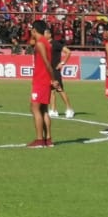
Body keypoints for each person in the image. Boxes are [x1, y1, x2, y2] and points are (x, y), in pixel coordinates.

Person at [27, 20, 55, 148]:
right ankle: (48, 139)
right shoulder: (46, 43)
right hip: (45, 79)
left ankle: (39, 140)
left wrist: (53, 79)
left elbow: (47, 63)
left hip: (41, 80)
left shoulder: (40, 43)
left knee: (35, 108)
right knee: (44, 110)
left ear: (34, 30)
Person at [49, 39, 76, 119]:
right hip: (49, 69)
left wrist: (62, 63)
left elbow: (68, 52)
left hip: (55, 70)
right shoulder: (45, 44)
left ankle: (69, 109)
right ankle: (53, 110)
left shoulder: (55, 43)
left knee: (59, 89)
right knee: (51, 90)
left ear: (48, 34)